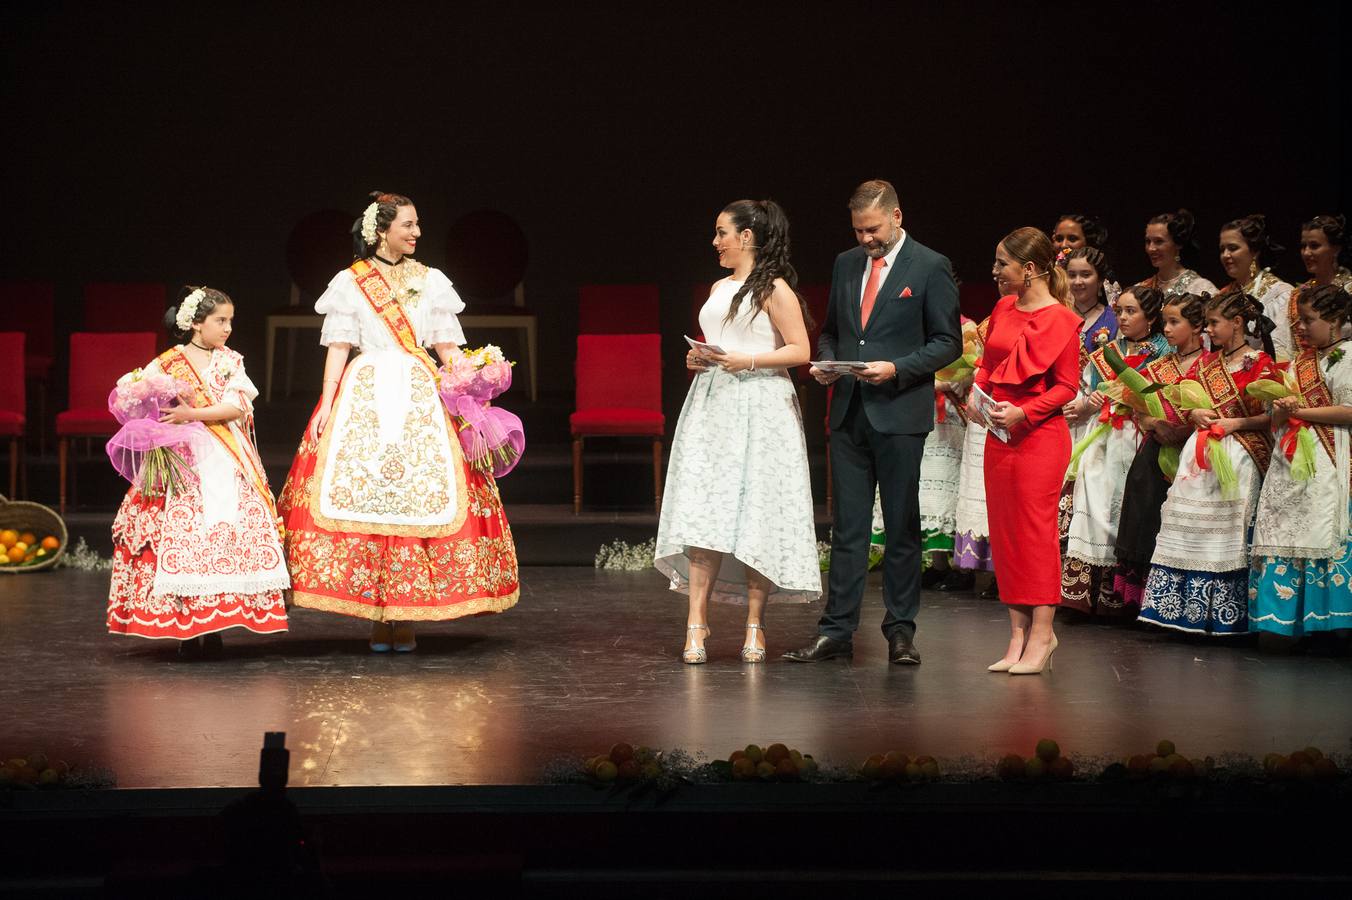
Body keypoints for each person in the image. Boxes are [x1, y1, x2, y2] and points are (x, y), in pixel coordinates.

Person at [277, 191, 519, 652]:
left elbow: (447, 349)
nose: (417, 232)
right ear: (381, 230)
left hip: (419, 391)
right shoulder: (350, 282)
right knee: (365, 492)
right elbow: (339, 347)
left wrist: (475, 373)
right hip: (364, 390)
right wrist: (326, 400)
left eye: (417, 223)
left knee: (417, 494)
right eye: (408, 224)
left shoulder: (432, 280)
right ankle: (373, 610)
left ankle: (406, 612)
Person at [784, 179, 961, 665]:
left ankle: (901, 631)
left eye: (873, 229)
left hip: (900, 412)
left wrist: (897, 368)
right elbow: (835, 333)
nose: (866, 239)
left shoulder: (929, 266)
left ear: (897, 216)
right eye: (859, 230)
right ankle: (836, 631)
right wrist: (824, 362)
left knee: (901, 527)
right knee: (848, 528)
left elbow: (948, 342)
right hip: (848, 411)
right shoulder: (846, 263)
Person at [655, 199, 820, 664]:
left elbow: (799, 350)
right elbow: (717, 342)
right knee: (706, 510)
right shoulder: (718, 286)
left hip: (762, 404)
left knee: (756, 514)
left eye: (721, 232)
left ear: (746, 236)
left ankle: (754, 624)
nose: (715, 242)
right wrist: (700, 357)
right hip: (715, 402)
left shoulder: (773, 289)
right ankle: (696, 623)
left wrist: (744, 360)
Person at [107, 286, 289, 654]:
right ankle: (186, 626)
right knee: (182, 535)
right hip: (182, 458)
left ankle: (216, 625)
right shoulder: (166, 363)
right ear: (195, 323)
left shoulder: (230, 361)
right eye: (220, 321)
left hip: (225, 452)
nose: (227, 328)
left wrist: (191, 413)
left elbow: (236, 408)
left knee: (223, 533)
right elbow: (146, 402)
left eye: (230, 321)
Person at [973, 228, 1082, 675]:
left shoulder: (1061, 319)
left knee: (1035, 534)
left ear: (1030, 269)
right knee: (1006, 533)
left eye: (1003, 264)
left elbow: (1066, 388)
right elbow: (987, 363)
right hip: (998, 436)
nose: (995, 271)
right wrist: (977, 396)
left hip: (1038, 438)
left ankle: (1043, 633)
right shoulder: (1002, 307)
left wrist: (1024, 412)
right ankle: (1016, 636)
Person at [1138, 291, 1277, 635]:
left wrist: (1235, 424)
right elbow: (1187, 403)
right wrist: (1194, 412)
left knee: (1224, 535)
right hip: (1199, 454)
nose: (1209, 330)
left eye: (1214, 323)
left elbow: (1270, 418)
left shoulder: (1261, 363)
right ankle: (1176, 610)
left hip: (1239, 454)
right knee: (1187, 528)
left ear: (1237, 323)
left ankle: (1222, 615)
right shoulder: (1206, 364)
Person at [1250, 284, 1352, 642]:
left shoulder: (1349, 356)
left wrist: (1300, 410)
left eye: (1309, 320)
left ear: (1336, 320)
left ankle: (1327, 623)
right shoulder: (1299, 363)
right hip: (1288, 461)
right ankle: (1282, 621)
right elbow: (1277, 420)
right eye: (1299, 321)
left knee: (1322, 531)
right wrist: (1279, 410)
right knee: (1284, 530)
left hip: (1329, 458)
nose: (1302, 329)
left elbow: (1349, 411)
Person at [1060, 285, 1170, 615]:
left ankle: (1118, 598)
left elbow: (1163, 399)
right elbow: (1093, 392)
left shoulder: (1163, 354)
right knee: (1092, 505)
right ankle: (1082, 596)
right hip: (1104, 434)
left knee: (1124, 510)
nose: (1122, 317)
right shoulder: (1108, 349)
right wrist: (1087, 403)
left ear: (1151, 318)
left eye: (1131, 311)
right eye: (1119, 310)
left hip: (1137, 436)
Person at [1112, 292, 1207, 609]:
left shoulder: (1210, 367)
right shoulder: (1160, 365)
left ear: (1196, 326)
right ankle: (1139, 600)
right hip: (1155, 451)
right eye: (1164, 322)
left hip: (1194, 455)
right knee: (1145, 514)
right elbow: (1138, 410)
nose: (1166, 329)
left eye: (1174, 322)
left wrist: (1184, 430)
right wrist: (1155, 423)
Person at [950, 314, 999, 596]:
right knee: (976, 486)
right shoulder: (986, 324)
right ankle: (973, 565)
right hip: (981, 403)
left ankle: (1002, 572)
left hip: (1009, 406)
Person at [1217, 214, 1295, 360]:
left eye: (1233, 248)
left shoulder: (1280, 293)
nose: (1225, 255)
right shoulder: (1222, 295)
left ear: (1254, 252)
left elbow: (1280, 352)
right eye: (1222, 249)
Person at [1287, 214, 1352, 353]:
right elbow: (1292, 348)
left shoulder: (1349, 289)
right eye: (1303, 246)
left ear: (1336, 249)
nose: (1306, 252)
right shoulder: (1298, 294)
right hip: (1304, 370)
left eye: (1314, 246)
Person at [1143, 208, 1218, 299]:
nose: (1151, 248)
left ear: (1177, 243)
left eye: (1159, 241)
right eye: (1148, 241)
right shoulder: (1142, 288)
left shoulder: (1200, 288)